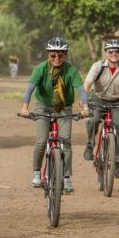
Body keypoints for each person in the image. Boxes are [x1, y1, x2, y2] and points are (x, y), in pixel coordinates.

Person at [20, 37, 89, 192]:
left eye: (60, 55)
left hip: (64, 107)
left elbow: (82, 91)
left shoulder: (71, 70)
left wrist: (85, 106)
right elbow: (30, 89)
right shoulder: (40, 69)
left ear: (65, 55)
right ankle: (37, 172)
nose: (57, 58)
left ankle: (66, 178)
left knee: (66, 141)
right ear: (48, 55)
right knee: (42, 139)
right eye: (53, 55)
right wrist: (25, 107)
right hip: (43, 106)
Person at [83, 39, 119, 178]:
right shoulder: (98, 66)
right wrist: (84, 100)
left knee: (118, 129)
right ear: (106, 53)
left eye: (117, 51)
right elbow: (87, 82)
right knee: (94, 119)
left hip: (116, 102)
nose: (114, 54)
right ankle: (90, 145)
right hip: (98, 100)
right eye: (111, 51)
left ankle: (117, 163)